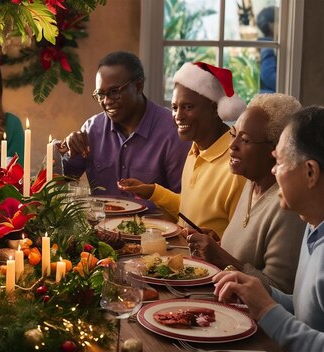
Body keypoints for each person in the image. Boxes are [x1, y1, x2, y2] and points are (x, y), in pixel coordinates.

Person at [214, 106, 324, 351]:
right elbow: (309, 312)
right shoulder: (313, 227)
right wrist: (264, 294)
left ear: (310, 172)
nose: (274, 170)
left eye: (280, 161)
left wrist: (266, 310)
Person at [183, 93, 305, 293]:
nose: (232, 146)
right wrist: (218, 245)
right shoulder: (251, 184)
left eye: (245, 140)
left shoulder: (286, 206)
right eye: (234, 134)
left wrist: (222, 258)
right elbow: (245, 254)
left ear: (275, 150)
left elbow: (279, 292)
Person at [119, 62, 247, 237]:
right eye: (174, 107)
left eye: (188, 107)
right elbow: (190, 210)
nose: (178, 116)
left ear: (215, 108)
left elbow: (241, 244)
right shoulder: (196, 148)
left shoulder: (237, 165)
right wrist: (152, 191)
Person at [55, 51, 191, 196]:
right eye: (101, 94)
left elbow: (183, 201)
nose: (106, 101)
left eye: (114, 92)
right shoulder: (93, 129)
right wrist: (64, 151)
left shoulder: (172, 131)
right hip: (101, 218)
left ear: (138, 86)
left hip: (153, 219)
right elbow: (61, 182)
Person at [257, 6, 277, 93]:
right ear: (271, 25)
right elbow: (267, 75)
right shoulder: (268, 47)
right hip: (271, 100)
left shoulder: (268, 45)